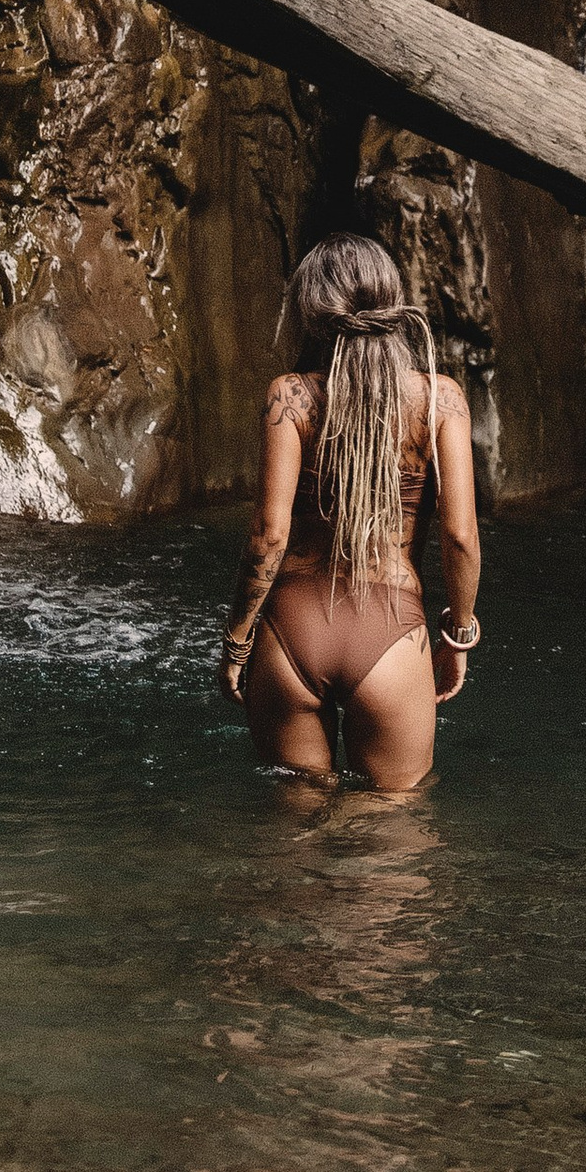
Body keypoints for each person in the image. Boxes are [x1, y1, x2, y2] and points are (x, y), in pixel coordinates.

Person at [217, 233, 481, 791]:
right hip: (392, 631)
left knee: (297, 817)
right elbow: (460, 536)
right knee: (390, 827)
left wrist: (237, 642)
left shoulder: (290, 396)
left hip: (292, 629)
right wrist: (459, 635)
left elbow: (269, 534)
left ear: (310, 311)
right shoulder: (443, 400)